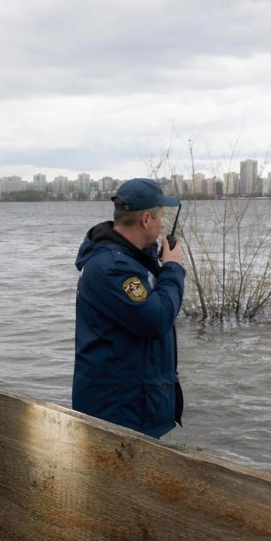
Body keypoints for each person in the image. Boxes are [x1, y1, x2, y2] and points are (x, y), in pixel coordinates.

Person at [72, 178, 186, 438]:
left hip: (137, 407)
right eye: (160, 217)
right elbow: (155, 320)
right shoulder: (112, 268)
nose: (162, 225)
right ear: (146, 219)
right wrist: (173, 269)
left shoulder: (132, 259)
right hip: (120, 414)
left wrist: (156, 262)